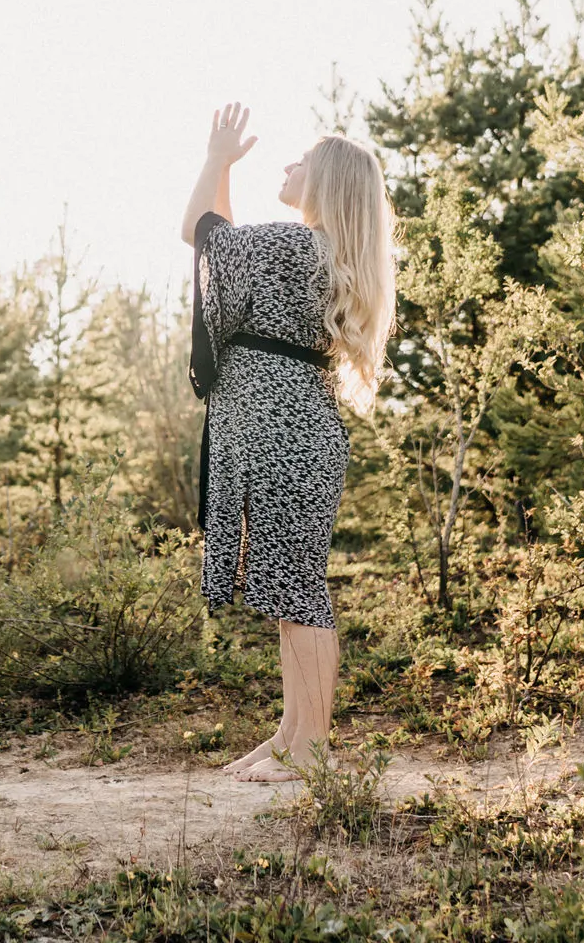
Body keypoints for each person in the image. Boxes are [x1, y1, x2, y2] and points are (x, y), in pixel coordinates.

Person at [179, 103, 396, 783]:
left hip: (283, 433)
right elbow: (221, 248)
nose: (287, 166)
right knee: (291, 587)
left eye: (301, 161)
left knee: (297, 590)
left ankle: (310, 752)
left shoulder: (291, 246)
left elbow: (199, 233)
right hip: (291, 428)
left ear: (325, 181)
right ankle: (291, 736)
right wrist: (222, 172)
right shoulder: (309, 251)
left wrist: (217, 160)